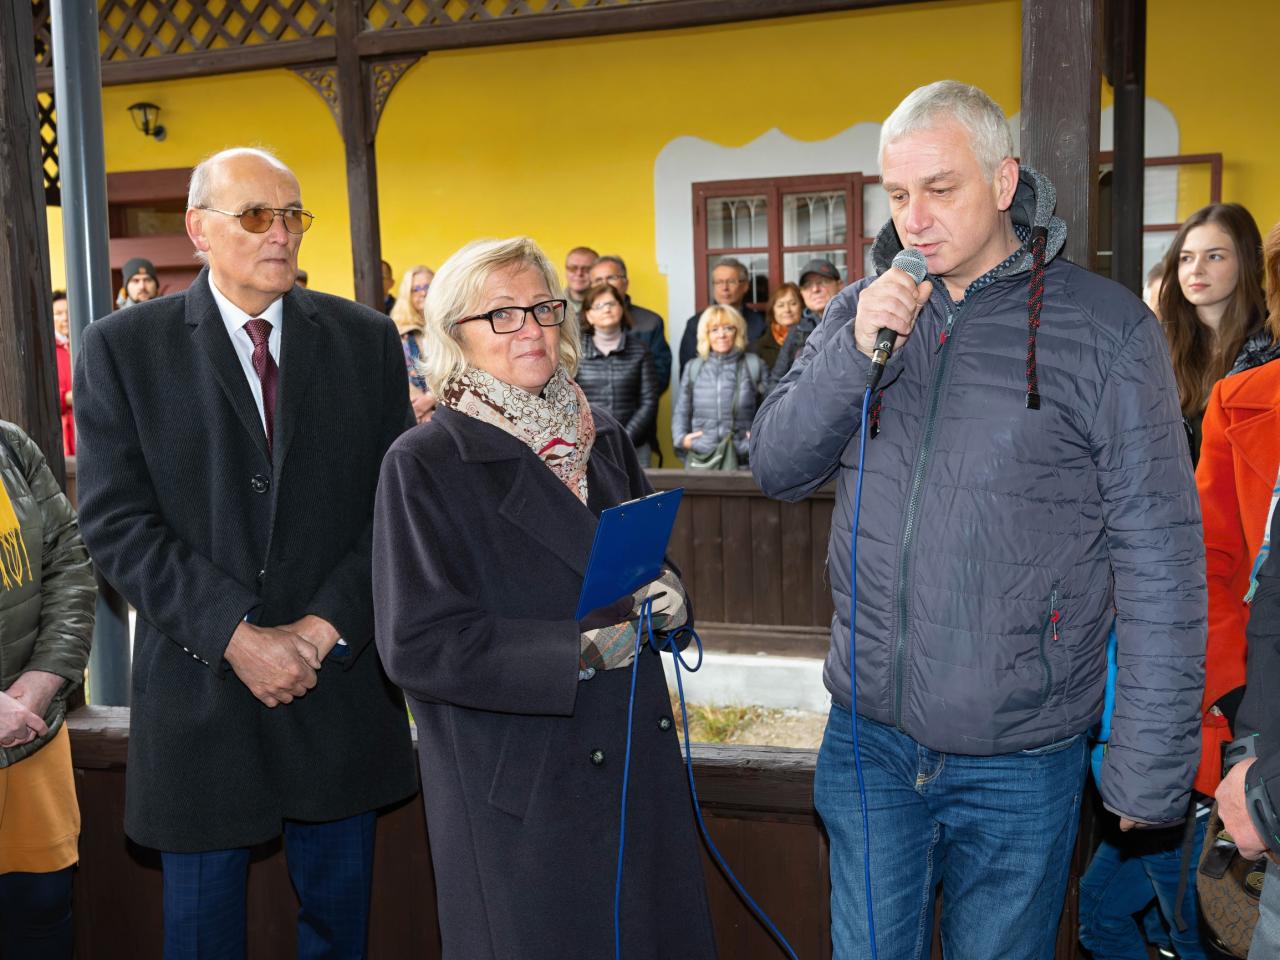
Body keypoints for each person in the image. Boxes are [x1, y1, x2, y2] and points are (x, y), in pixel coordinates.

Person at [751, 80, 1205, 959]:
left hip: (1020, 752)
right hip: (868, 741)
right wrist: (852, 352)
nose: (913, 219)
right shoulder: (861, 310)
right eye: (897, 194)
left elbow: (1161, 558)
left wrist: (1150, 758)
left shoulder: (1106, 329)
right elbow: (777, 465)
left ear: (1004, 182)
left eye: (940, 188)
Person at [73, 146, 418, 959]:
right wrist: (237, 636)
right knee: (201, 940)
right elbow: (116, 522)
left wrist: (321, 631)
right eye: (257, 216)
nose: (281, 233)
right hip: (202, 699)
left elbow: (393, 509)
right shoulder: (123, 347)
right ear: (198, 229)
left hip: (336, 690)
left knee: (340, 933)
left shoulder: (366, 340)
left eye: (292, 215)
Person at [371, 236, 717, 960]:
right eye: (501, 314)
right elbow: (418, 643)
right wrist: (576, 652)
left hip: (633, 761)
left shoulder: (604, 437)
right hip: (523, 786)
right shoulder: (426, 461)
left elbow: (647, 560)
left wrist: (672, 599)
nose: (529, 328)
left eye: (542, 308)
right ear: (453, 335)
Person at [0, 421, 95, 960]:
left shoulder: (11, 446)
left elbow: (69, 564)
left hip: (32, 731)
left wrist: (43, 680)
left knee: (41, 910)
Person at [1158, 203, 1269, 461]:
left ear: (1248, 262)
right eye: (1186, 258)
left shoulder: (1271, 348)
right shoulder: (1157, 345)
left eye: (1214, 256)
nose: (1196, 269)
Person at [672, 304, 765, 470]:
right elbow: (682, 410)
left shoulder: (754, 365)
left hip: (744, 459)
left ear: (738, 332)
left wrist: (759, 439)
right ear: (706, 334)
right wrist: (682, 439)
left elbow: (770, 410)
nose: (721, 335)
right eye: (714, 329)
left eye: (728, 328)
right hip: (702, 458)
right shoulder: (694, 367)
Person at [575, 281, 660, 461]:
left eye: (611, 303)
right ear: (588, 315)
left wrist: (624, 438)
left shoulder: (640, 350)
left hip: (635, 445)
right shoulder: (576, 352)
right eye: (599, 305)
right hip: (589, 446)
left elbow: (649, 401)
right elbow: (568, 398)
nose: (606, 309)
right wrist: (589, 435)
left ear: (621, 308)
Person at [589, 255, 672, 394]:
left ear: (626, 283)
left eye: (611, 278)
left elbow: (660, 376)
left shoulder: (650, 322)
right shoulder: (577, 322)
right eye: (598, 280)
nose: (605, 284)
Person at [677, 258, 766, 368]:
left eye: (731, 281)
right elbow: (688, 368)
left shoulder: (760, 323)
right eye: (719, 282)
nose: (725, 288)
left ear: (745, 286)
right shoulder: (695, 323)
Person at [772, 259, 842, 381]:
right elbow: (777, 379)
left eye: (823, 281)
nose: (815, 289)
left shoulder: (856, 322)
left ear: (840, 285)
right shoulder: (797, 330)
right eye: (807, 285)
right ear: (802, 293)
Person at [390, 265, 437, 424]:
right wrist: (421, 408)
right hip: (415, 413)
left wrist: (431, 399)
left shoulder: (450, 327)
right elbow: (397, 375)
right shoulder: (399, 331)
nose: (423, 293)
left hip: (448, 408)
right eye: (415, 289)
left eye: (428, 287)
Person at [749, 281, 803, 373]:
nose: (787, 310)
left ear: (802, 306)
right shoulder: (759, 347)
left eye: (793, 303)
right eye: (781, 305)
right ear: (772, 310)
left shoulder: (814, 338)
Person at [51, 291, 74, 457]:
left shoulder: (81, 342)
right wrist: (66, 398)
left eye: (68, 311)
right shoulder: (48, 349)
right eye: (58, 313)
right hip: (62, 433)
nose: (65, 318)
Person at [563, 245, 598, 318]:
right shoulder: (553, 303)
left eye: (586, 269)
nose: (579, 273)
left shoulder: (608, 305)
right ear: (566, 270)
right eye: (573, 268)